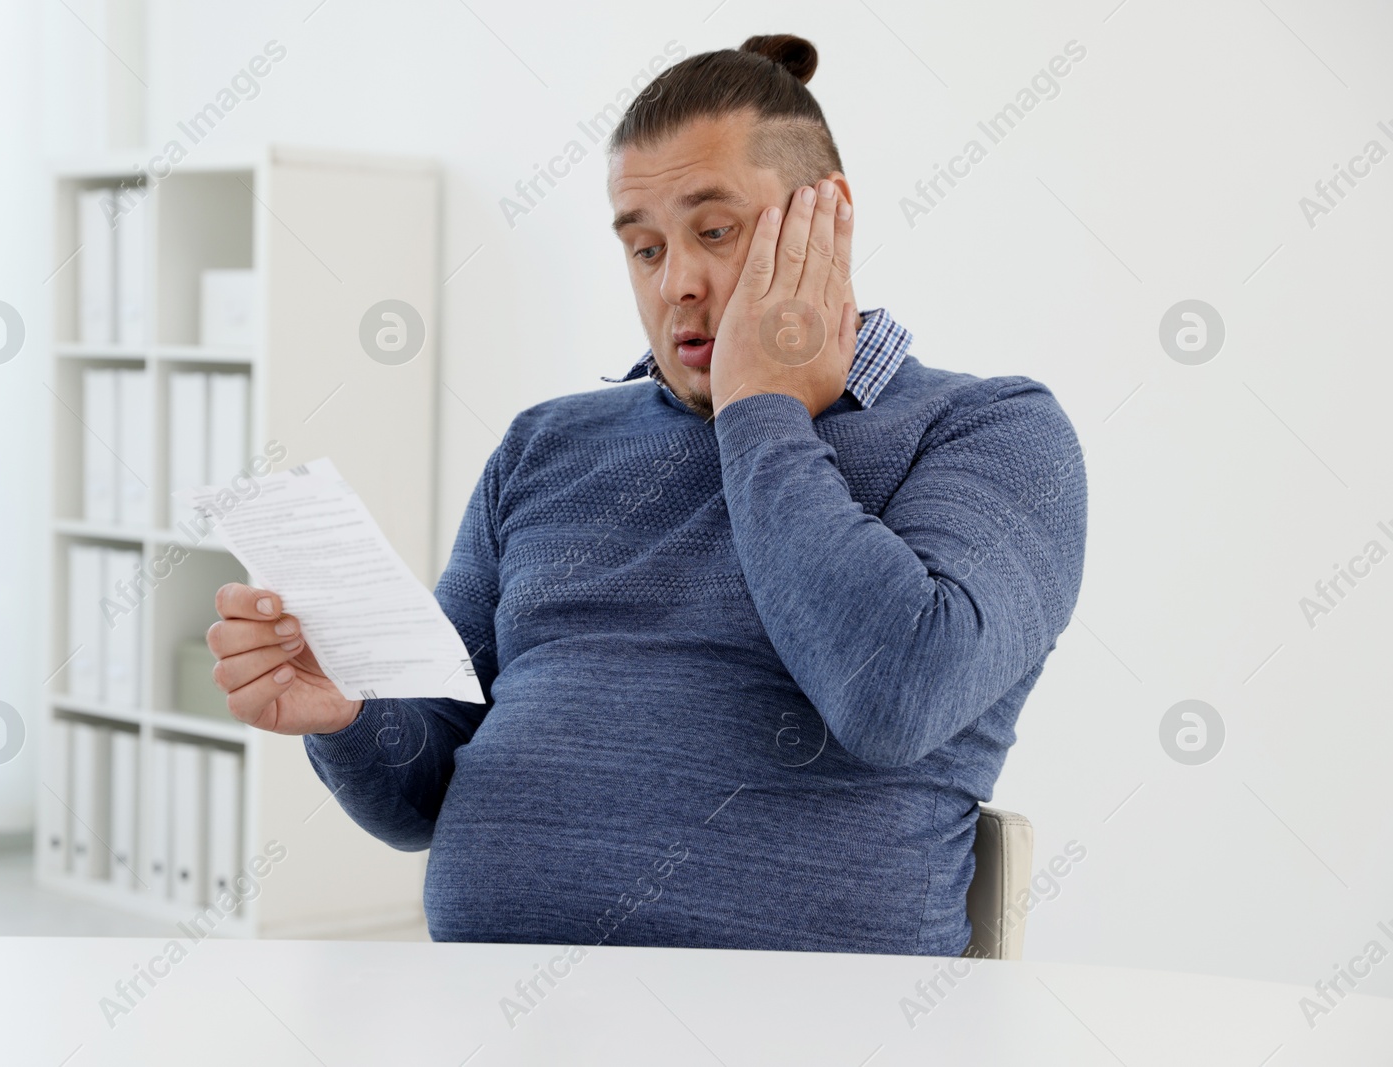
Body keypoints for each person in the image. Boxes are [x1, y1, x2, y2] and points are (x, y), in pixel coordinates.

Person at [205, 34, 1087, 956]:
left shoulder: (992, 431)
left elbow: (896, 695)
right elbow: (418, 796)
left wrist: (761, 407)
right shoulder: (544, 444)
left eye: (715, 231)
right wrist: (347, 712)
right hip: (490, 1015)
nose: (679, 284)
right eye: (644, 247)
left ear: (829, 219)